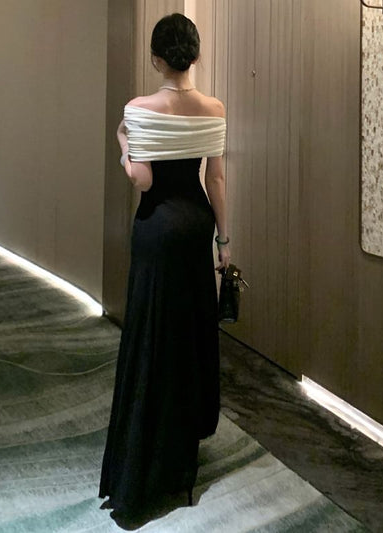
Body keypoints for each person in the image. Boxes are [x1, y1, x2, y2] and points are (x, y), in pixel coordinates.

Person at [99, 12, 230, 519]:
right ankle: (181, 454)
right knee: (188, 334)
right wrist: (224, 241)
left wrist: (123, 144)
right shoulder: (214, 108)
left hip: (157, 227)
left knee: (152, 334)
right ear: (194, 56)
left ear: (156, 58)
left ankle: (143, 459)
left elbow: (143, 180)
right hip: (196, 224)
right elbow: (215, 180)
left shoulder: (138, 109)